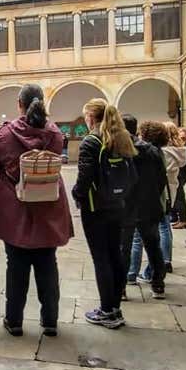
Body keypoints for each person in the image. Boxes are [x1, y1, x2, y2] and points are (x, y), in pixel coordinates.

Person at [0, 85, 72, 337]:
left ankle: (14, 321)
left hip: (16, 207)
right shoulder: (55, 133)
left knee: (16, 265)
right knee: (48, 263)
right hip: (48, 204)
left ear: (19, 104)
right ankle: (50, 322)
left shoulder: (4, 135)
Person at [72, 100, 137, 329]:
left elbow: (85, 177)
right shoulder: (121, 138)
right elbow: (133, 176)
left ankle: (107, 310)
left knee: (101, 259)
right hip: (118, 205)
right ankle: (115, 307)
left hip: (95, 207)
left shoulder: (92, 141)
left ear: (91, 117)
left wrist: (77, 194)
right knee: (115, 255)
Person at [128, 121, 183, 282]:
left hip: (149, 201)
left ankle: (132, 273)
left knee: (138, 239)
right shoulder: (163, 152)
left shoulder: (149, 153)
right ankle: (160, 272)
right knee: (156, 238)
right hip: (161, 198)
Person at [172, 127, 186, 229]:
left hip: (182, 173)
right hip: (180, 172)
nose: (179, 136)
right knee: (178, 196)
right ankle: (181, 219)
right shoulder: (182, 145)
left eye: (181, 134)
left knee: (179, 197)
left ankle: (183, 220)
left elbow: (185, 162)